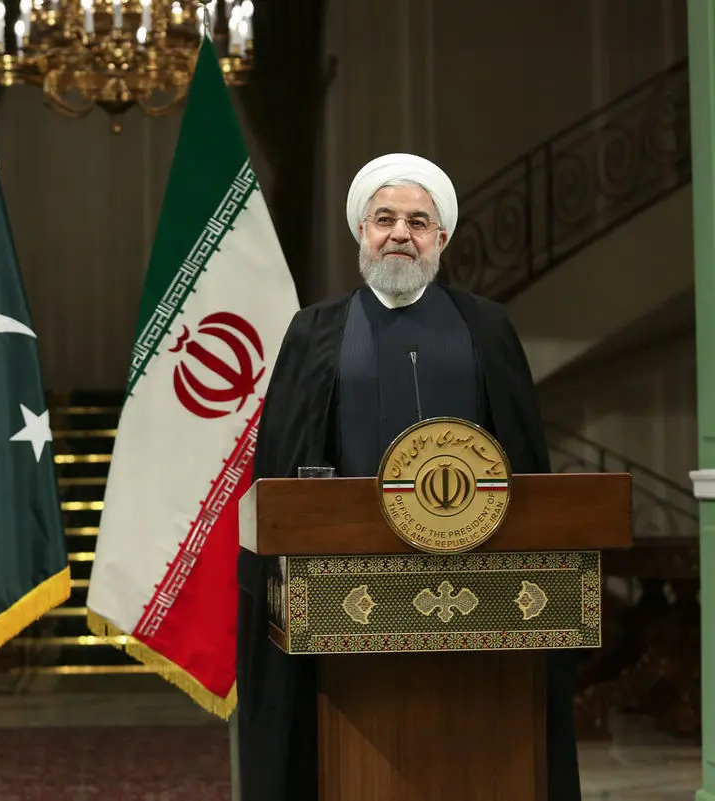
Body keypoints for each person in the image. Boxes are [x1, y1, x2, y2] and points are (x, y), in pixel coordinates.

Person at [236, 153, 579, 800]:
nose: (401, 233)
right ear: (362, 233)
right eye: (385, 219)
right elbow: (283, 465)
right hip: (345, 592)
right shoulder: (315, 331)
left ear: (441, 238)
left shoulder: (487, 327)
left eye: (418, 222)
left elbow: (526, 462)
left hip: (479, 589)